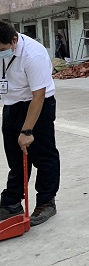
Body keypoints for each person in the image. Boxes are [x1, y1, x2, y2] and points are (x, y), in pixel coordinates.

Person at [0, 22, 60, 226]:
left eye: (2, 49)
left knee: (43, 155)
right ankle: (11, 202)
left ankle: (46, 201)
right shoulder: (3, 48)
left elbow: (39, 95)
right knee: (15, 156)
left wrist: (27, 130)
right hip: (11, 104)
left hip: (37, 104)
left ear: (14, 41)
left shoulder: (34, 54)